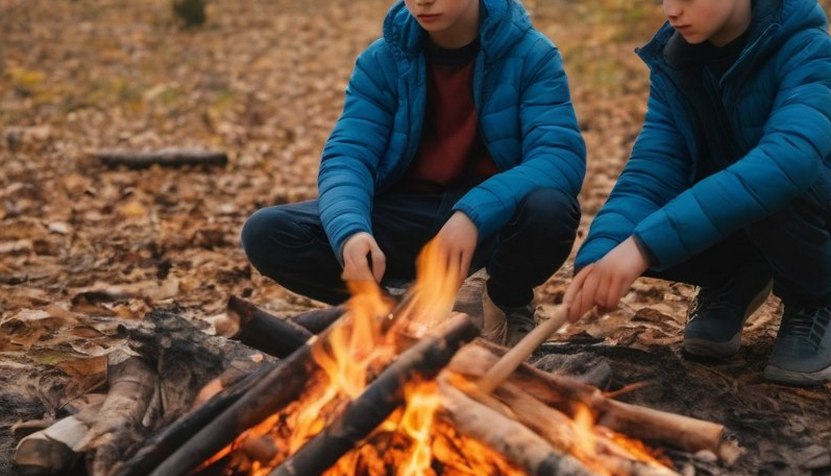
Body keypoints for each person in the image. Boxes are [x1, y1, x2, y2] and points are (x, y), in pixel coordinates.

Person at [241, 0, 585, 345]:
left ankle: (503, 302)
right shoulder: (382, 59)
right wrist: (351, 232)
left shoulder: (532, 55)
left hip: (491, 233)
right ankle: (399, 312)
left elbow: (558, 157)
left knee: (549, 209)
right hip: (405, 219)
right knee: (268, 232)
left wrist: (474, 213)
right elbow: (348, 156)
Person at [565, 0, 831, 386]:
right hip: (745, 220)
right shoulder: (678, 61)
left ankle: (815, 301)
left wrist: (643, 247)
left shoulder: (808, 50)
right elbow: (652, 172)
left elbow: (789, 159)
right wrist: (602, 254)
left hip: (811, 215)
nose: (672, 10)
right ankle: (735, 275)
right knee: (635, 231)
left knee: (776, 179)